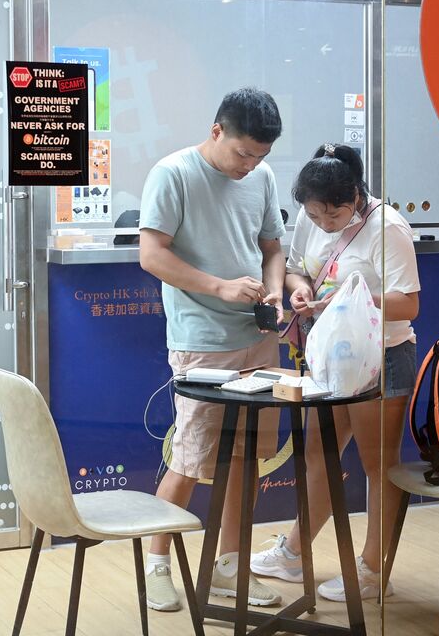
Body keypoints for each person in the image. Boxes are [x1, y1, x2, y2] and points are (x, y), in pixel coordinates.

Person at [249, 143, 421, 601]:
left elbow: (409, 303)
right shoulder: (309, 217)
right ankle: (295, 552)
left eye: (335, 215)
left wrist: (351, 299)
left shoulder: (388, 227)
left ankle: (370, 568)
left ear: (357, 196)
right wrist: (302, 291)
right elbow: (295, 269)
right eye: (316, 215)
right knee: (316, 455)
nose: (325, 223)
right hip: (331, 356)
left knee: (376, 465)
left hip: (382, 355)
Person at [137, 87, 287, 611]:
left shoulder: (262, 178)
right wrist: (219, 286)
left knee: (247, 460)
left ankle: (229, 565)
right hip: (202, 341)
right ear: (216, 130)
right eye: (243, 153)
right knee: (190, 458)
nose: (250, 165)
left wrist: (272, 287)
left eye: (261, 156)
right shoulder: (173, 173)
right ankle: (157, 564)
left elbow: (272, 248)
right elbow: (152, 256)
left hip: (259, 337)